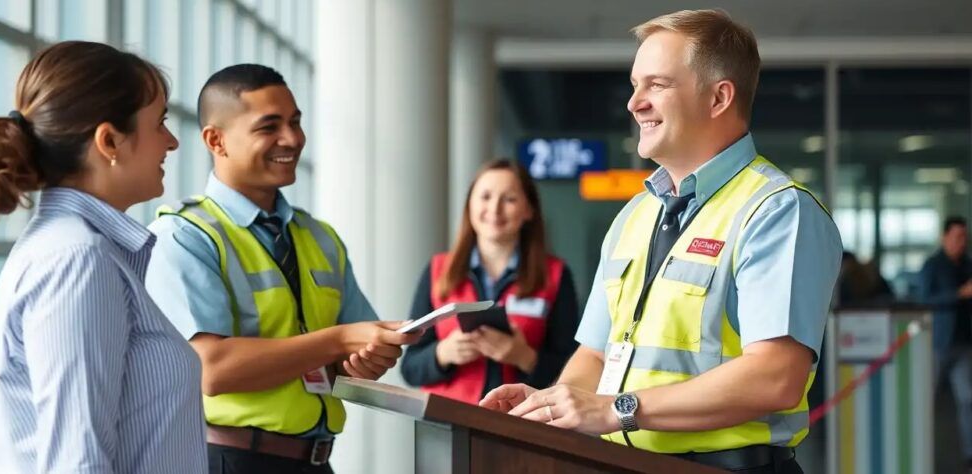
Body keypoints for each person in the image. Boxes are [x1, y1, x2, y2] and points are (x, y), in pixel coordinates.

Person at [480, 10, 842, 474]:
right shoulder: (635, 214)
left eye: (657, 84)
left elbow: (775, 377)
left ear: (718, 98)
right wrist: (553, 408)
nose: (634, 103)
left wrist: (617, 409)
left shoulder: (775, 210)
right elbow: (595, 354)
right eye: (635, 85)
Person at [145, 64, 419, 474]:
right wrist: (340, 340)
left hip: (315, 461)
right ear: (215, 140)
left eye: (295, 123)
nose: (291, 139)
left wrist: (366, 355)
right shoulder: (184, 236)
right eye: (268, 127)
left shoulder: (321, 237)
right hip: (227, 461)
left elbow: (347, 354)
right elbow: (211, 369)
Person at [0, 41, 206, 473]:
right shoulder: (77, 259)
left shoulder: (72, 248)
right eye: (159, 123)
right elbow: (76, 463)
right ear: (109, 140)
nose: (171, 141)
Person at [400, 159, 580, 404]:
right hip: (449, 421)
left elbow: (576, 373)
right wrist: (442, 354)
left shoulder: (556, 275)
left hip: (522, 424)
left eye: (509, 199)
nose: (494, 209)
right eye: (485, 197)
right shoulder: (437, 270)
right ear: (470, 205)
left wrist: (524, 357)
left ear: (529, 210)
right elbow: (410, 368)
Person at [916, 216, 972, 471]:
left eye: (965, 237)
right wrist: (959, 294)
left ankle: (969, 454)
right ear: (944, 237)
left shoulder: (968, 265)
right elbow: (924, 300)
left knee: (967, 399)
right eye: (957, 237)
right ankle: (919, 450)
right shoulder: (933, 265)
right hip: (937, 343)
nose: (962, 242)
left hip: (963, 344)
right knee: (927, 400)